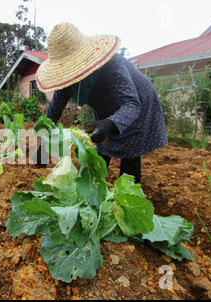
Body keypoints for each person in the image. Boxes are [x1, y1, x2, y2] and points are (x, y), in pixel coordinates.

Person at [35, 23, 167, 184]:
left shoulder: (111, 65)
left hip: (136, 100)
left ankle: (129, 193)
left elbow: (131, 104)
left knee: (131, 149)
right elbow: (53, 112)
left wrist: (110, 124)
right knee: (101, 144)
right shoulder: (67, 79)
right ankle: (95, 186)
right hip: (105, 106)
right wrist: (43, 144)